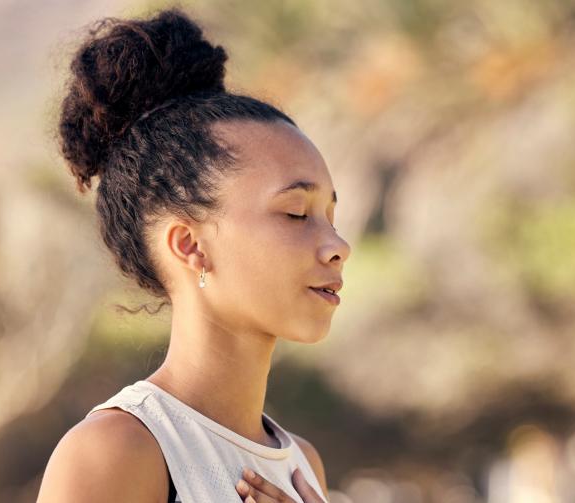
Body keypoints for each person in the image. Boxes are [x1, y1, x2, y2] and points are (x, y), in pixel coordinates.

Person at [36, 7, 350, 503]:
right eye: (295, 213)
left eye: (330, 216)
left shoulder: (301, 462)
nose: (338, 246)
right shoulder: (117, 452)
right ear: (191, 246)